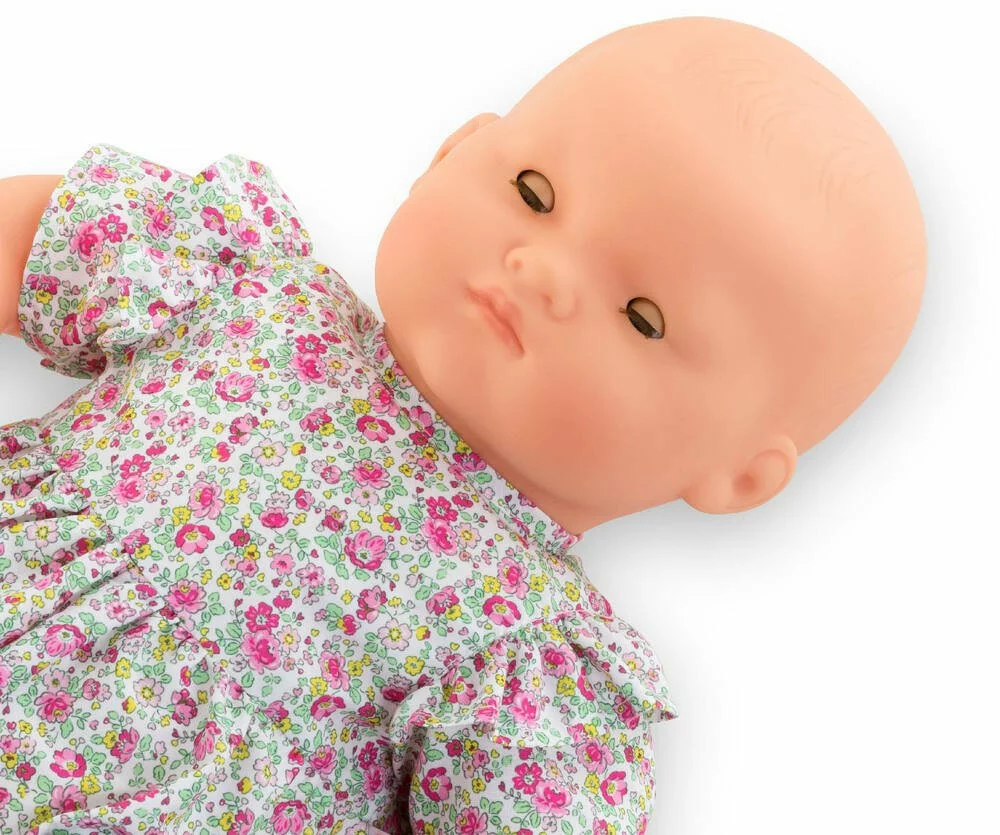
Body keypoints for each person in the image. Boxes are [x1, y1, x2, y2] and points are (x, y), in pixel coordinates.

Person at [0, 15, 925, 834]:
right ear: (456, 150)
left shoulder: (524, 666)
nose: (540, 269)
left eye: (642, 315)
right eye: (534, 190)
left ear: (737, 474)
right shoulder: (244, 285)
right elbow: (36, 239)